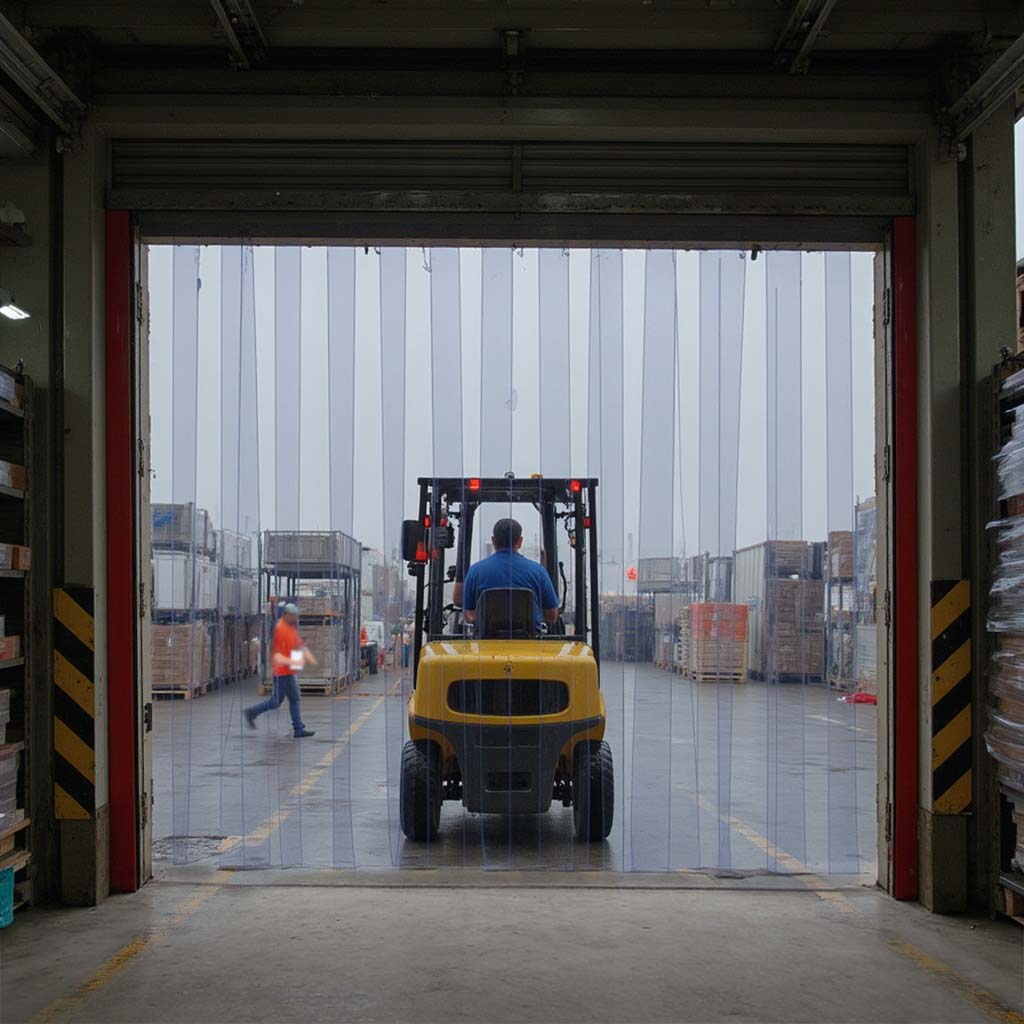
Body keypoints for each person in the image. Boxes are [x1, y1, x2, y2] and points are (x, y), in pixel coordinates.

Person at [454, 518, 559, 632]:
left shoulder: (475, 571)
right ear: (520, 541)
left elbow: (468, 614)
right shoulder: (539, 571)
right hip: (530, 643)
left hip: (486, 643)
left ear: (493, 541)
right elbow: (552, 616)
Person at [245, 603, 317, 738]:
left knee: (288, 700)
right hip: (283, 672)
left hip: (287, 672)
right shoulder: (281, 629)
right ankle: (297, 728)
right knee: (282, 701)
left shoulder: (289, 628)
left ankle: (298, 727)